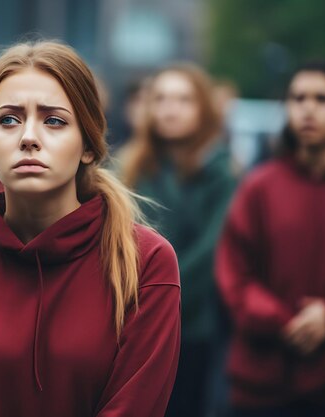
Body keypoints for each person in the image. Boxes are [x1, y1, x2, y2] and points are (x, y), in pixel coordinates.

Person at [0, 40, 181, 417]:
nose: (28, 137)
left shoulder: (145, 263)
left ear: (87, 144)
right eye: (8, 119)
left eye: (54, 120)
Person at [216, 62, 325, 417]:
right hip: (261, 386)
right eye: (298, 98)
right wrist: (282, 319)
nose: (308, 108)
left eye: (323, 98)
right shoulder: (260, 185)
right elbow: (234, 275)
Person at [122, 63, 236, 417]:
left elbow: (210, 254)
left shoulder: (223, 175)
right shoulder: (126, 168)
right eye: (162, 98)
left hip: (190, 328)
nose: (170, 108)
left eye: (184, 100)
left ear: (203, 108)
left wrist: (157, 299)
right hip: (124, 324)